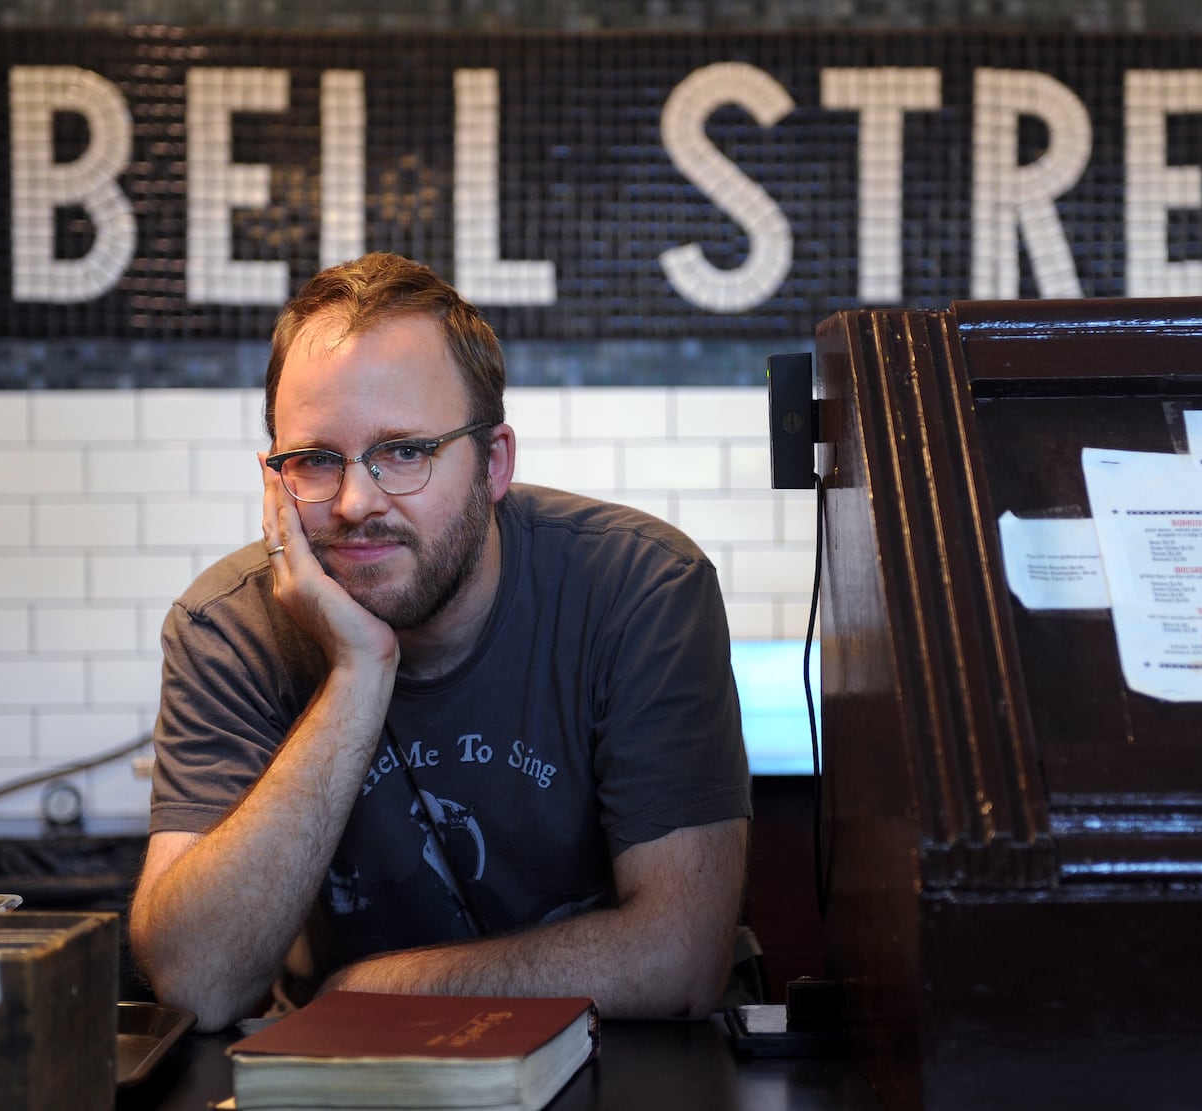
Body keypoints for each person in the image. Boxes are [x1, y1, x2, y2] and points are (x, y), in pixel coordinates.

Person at [129, 252, 753, 1032]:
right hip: (346, 1083)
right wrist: (359, 668)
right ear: (273, 478)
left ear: (493, 463)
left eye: (404, 452)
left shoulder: (640, 588)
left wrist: (378, 989)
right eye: (316, 461)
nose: (357, 502)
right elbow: (197, 983)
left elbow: (680, 956)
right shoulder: (229, 628)